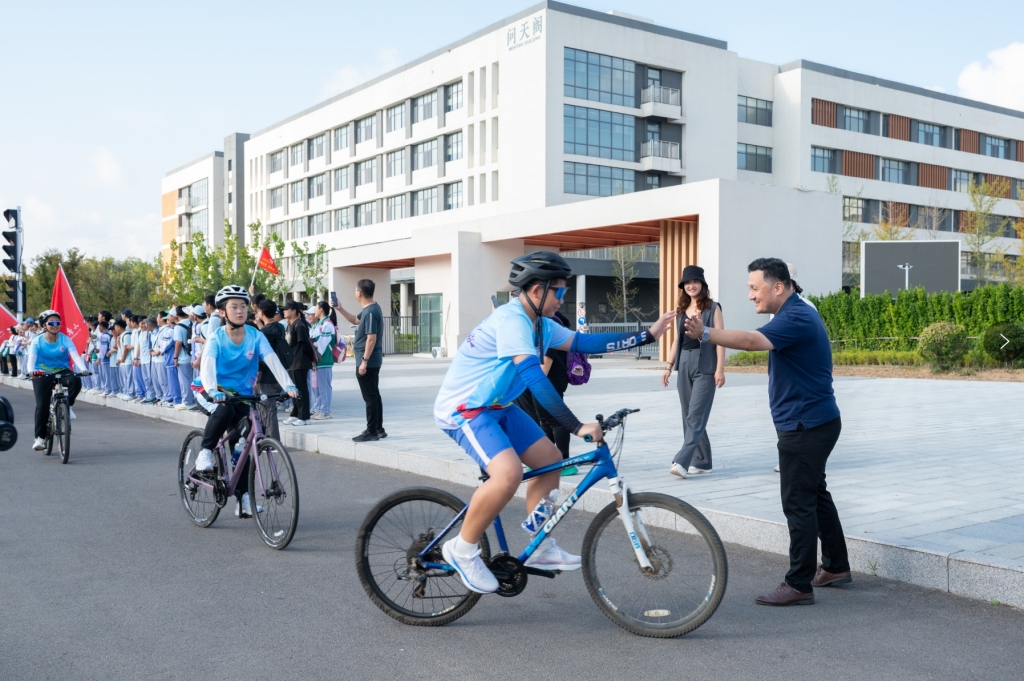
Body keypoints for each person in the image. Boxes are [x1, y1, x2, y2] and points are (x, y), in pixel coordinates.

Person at [433, 252, 675, 594]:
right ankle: (462, 549)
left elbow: (584, 342)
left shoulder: (540, 324)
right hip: (467, 410)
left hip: (498, 406)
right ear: (536, 290)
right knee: (508, 474)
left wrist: (646, 336)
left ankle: (540, 546)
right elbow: (535, 379)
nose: (563, 297)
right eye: (558, 291)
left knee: (550, 462)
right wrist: (577, 427)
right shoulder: (513, 322)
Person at [682, 257, 849, 606]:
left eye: (754, 288)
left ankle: (798, 584)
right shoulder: (794, 311)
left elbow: (750, 340)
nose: (750, 296)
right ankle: (835, 566)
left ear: (778, 286)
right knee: (814, 493)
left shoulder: (795, 317)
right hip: (814, 421)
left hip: (805, 425)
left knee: (798, 502)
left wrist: (707, 333)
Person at [192, 286, 298, 517]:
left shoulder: (255, 336)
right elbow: (208, 366)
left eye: (243, 306)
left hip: (240, 393)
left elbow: (271, 359)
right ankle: (206, 452)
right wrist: (213, 390)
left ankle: (242, 500)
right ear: (222, 312)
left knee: (244, 446)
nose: (240, 311)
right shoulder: (216, 338)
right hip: (211, 389)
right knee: (225, 412)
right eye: (233, 307)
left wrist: (288, 385)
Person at [662, 265, 726, 479]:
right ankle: (703, 462)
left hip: (705, 365)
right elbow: (677, 341)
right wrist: (669, 366)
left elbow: (720, 340)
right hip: (684, 364)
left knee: (696, 415)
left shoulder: (713, 308)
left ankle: (682, 460)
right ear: (683, 286)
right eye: (687, 283)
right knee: (688, 414)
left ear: (703, 284)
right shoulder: (681, 311)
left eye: (695, 282)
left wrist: (720, 369)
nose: (691, 286)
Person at [513, 309, 576, 475]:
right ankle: (547, 461)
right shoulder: (536, 326)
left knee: (555, 420)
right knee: (544, 421)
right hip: (540, 379)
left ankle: (565, 462)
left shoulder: (549, 326)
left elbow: (545, 364)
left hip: (551, 379)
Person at [26, 310, 90, 450]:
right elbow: (31, 361)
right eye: (52, 323)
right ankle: (40, 438)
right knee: (42, 406)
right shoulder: (37, 341)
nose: (55, 325)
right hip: (42, 372)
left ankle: (69, 406)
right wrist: (31, 371)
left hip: (62, 370)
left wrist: (83, 368)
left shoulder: (64, 339)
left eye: (58, 323)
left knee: (76, 381)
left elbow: (75, 356)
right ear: (44, 325)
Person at [333, 279, 385, 441]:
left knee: (370, 397)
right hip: (372, 360)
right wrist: (340, 309)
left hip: (368, 361)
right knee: (374, 395)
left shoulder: (370, 312)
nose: (355, 292)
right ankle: (378, 428)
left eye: (356, 289)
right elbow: (356, 320)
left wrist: (364, 361)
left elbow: (371, 338)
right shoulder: (372, 308)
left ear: (360, 293)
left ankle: (371, 431)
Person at [281, 300, 314, 426]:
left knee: (301, 390)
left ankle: (304, 417)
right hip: (292, 362)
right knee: (294, 389)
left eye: (286, 309)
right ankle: (295, 414)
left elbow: (305, 344)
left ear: (294, 311)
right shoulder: (290, 324)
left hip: (300, 362)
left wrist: (310, 359)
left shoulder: (299, 325)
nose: (284, 311)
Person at [311, 301, 337, 420]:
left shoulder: (326, 325)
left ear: (321, 309)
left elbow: (322, 345)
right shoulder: (320, 324)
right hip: (319, 361)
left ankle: (326, 411)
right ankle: (321, 409)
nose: (314, 311)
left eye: (316, 308)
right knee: (318, 387)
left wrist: (313, 357)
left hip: (324, 360)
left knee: (324, 387)